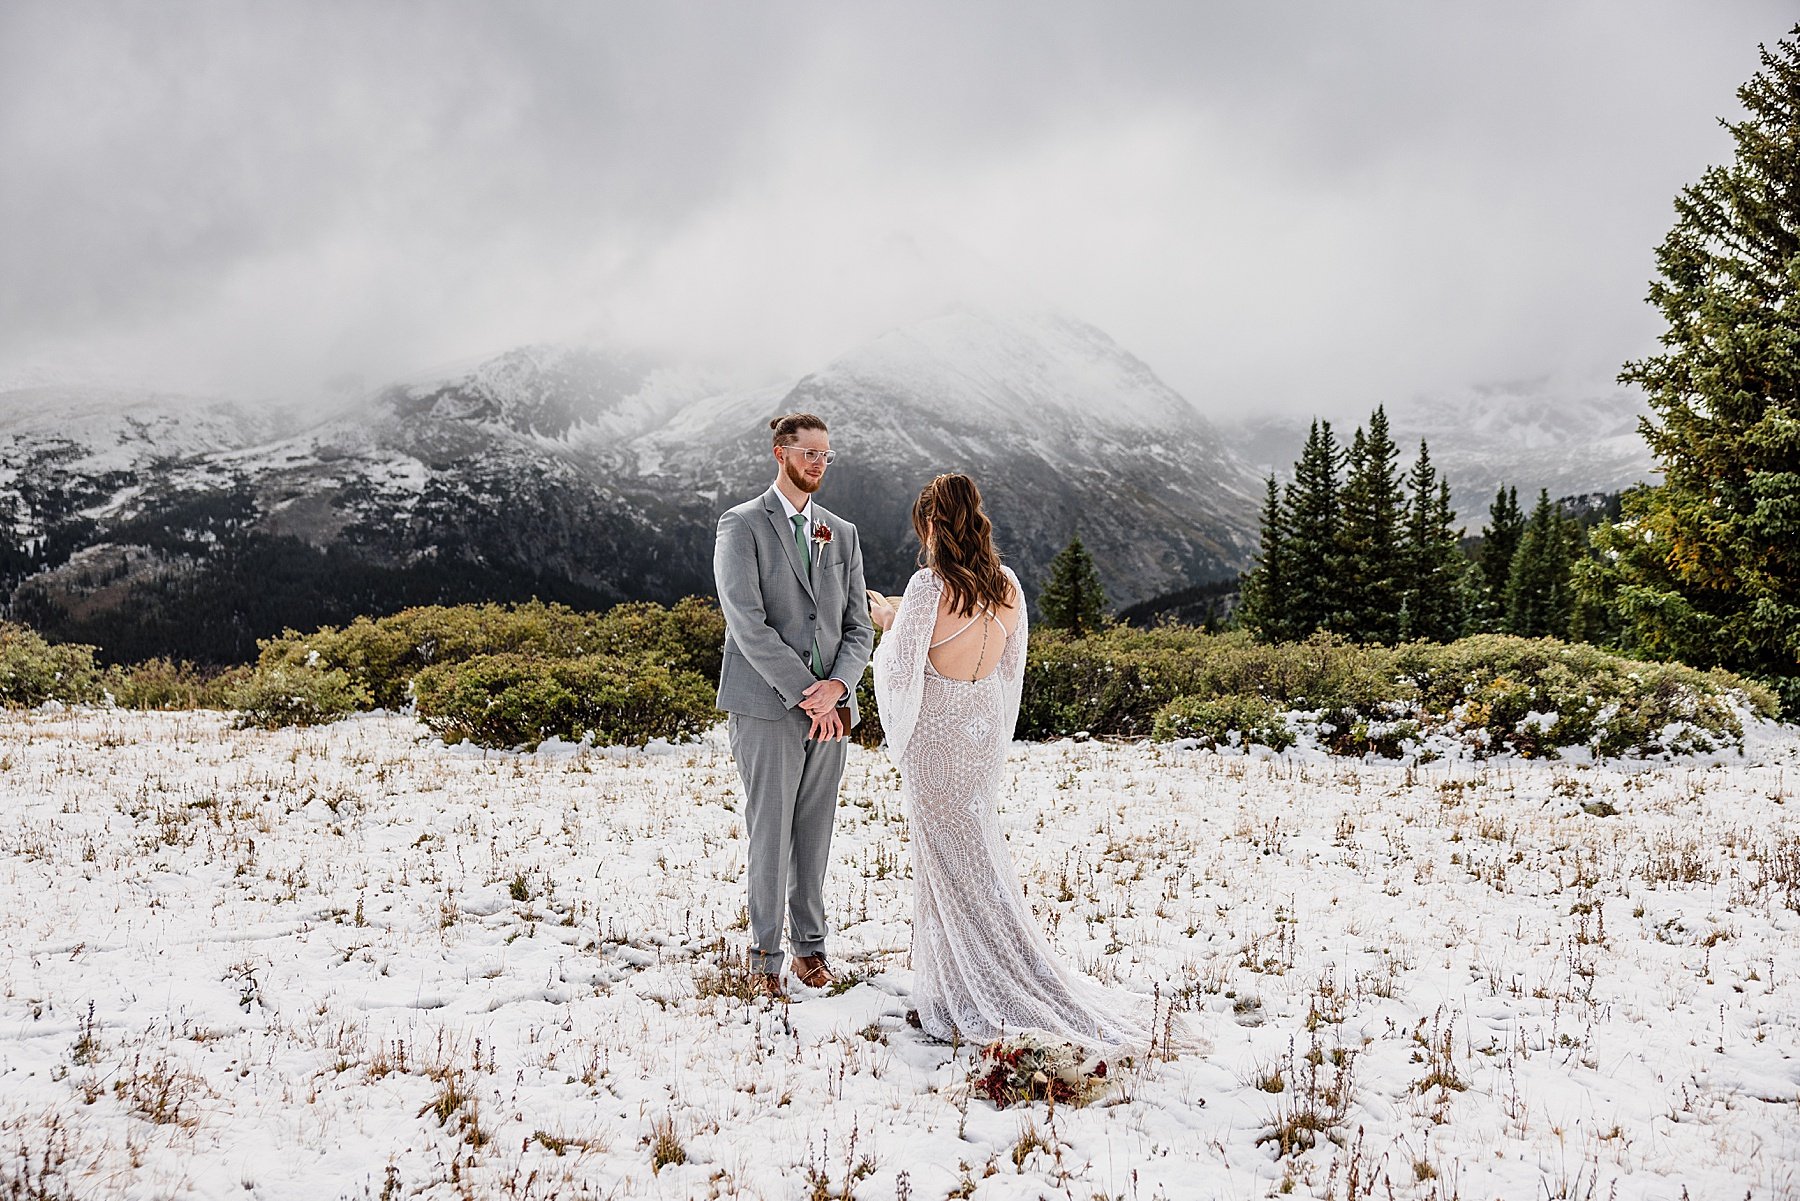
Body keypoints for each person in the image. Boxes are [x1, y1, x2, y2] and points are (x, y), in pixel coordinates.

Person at [870, 473, 1151, 1049]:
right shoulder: (1009, 586)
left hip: (936, 735)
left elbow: (901, 670)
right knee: (974, 861)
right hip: (977, 734)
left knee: (942, 866)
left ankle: (959, 991)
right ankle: (979, 974)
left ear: (930, 525)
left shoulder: (928, 586)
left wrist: (887, 626)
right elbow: (1005, 667)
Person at [713, 413, 874, 997]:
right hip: (766, 706)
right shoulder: (742, 526)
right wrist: (811, 693)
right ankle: (763, 960)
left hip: (832, 708)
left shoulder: (843, 533)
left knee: (815, 830)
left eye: (826, 455)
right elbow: (747, 624)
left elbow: (858, 627)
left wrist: (839, 688)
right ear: (780, 453)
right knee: (770, 830)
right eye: (809, 454)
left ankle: (811, 951)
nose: (819, 465)